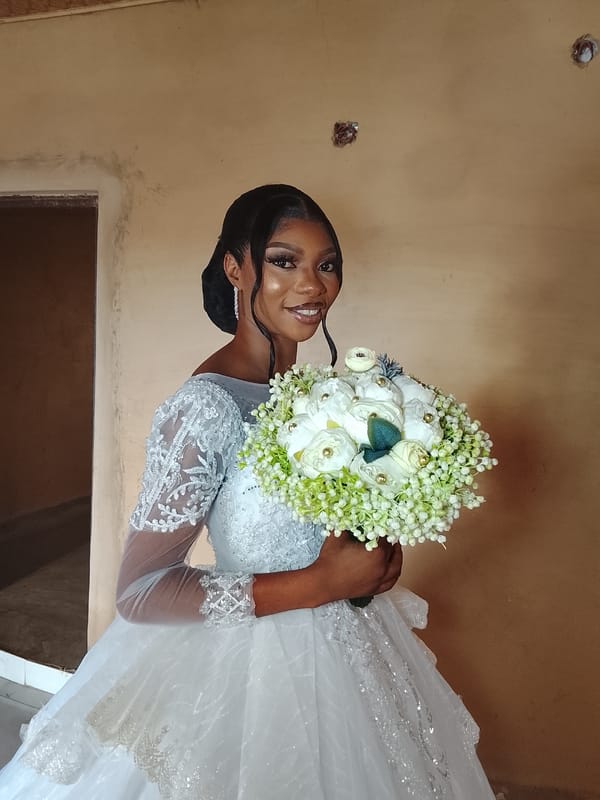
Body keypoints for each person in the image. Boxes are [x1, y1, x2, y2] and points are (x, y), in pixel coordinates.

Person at [0, 185, 496, 799]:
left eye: (327, 264)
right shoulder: (205, 408)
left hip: (352, 654)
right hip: (252, 673)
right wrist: (321, 583)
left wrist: (372, 551)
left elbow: (324, 526)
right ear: (236, 267)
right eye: (285, 261)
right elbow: (141, 591)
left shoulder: (324, 400)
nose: (312, 286)